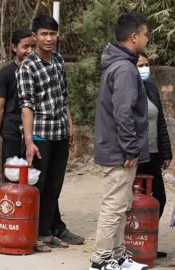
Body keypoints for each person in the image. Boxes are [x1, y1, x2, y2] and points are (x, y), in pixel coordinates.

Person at [17, 14, 84, 253]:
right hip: (40, 135)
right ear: (34, 37)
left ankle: (46, 233)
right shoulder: (28, 66)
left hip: (60, 133)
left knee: (54, 186)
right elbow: (27, 106)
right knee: (39, 186)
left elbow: (63, 96)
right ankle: (32, 234)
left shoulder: (58, 60)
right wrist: (28, 141)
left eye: (52, 34)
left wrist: (70, 123)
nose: (49, 38)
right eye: (44, 34)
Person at [91, 12, 150, 270]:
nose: (147, 39)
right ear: (134, 36)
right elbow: (123, 113)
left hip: (117, 148)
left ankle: (116, 256)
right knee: (114, 207)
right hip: (119, 151)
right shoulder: (125, 68)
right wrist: (131, 149)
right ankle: (101, 260)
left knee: (121, 205)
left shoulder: (118, 64)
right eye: (146, 34)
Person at [135, 53, 172, 259]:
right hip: (134, 156)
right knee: (133, 201)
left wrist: (166, 152)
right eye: (140, 65)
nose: (144, 68)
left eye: (147, 64)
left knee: (159, 198)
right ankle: (131, 243)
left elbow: (160, 121)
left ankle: (146, 240)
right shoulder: (128, 89)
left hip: (153, 153)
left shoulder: (151, 88)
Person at [0, 28, 34, 182]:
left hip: (35, 132)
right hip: (11, 131)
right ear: (14, 48)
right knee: (10, 179)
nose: (30, 51)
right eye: (25, 47)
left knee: (32, 177)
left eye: (32, 46)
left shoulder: (39, 71)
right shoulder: (4, 75)